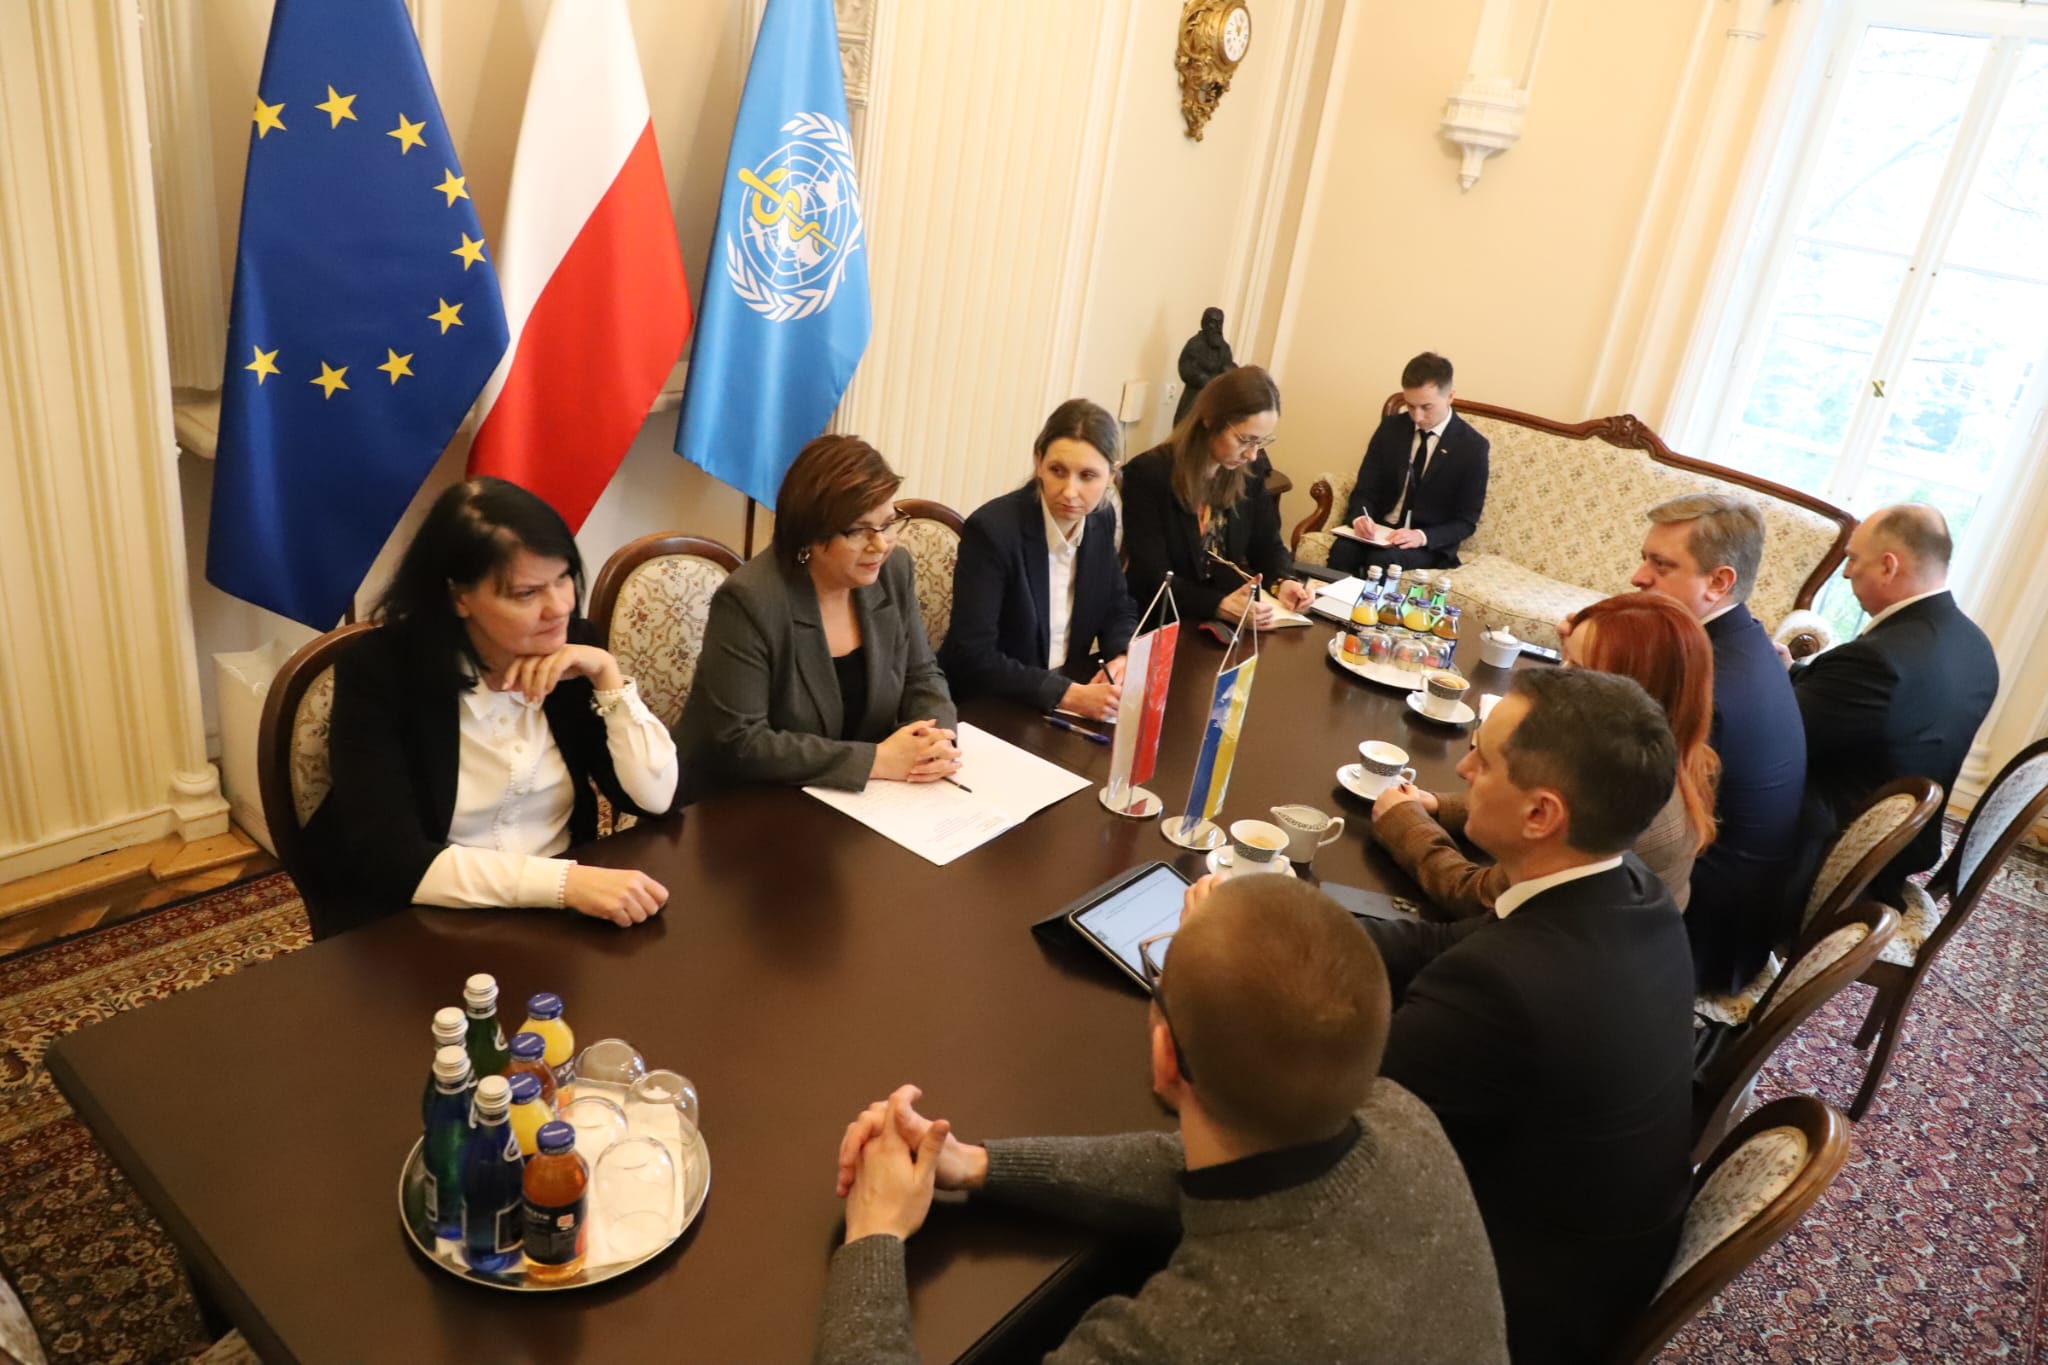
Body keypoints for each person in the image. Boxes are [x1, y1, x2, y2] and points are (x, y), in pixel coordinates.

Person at [816, 874, 1508, 1365]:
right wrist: (979, 1164)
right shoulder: (1406, 1119)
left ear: (1164, 1056)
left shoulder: (1192, 1332)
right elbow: (1199, 1166)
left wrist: (874, 1233)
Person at [1361, 668, 1696, 1364]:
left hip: (1503, 1303)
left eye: (1484, 760)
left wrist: (1226, 965)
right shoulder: (1630, 889)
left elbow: (1332, 1121)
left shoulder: (1505, 987)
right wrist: (1286, 919)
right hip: (1592, 1251)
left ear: (1541, 814)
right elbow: (1438, 943)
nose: (1463, 769)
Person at [300, 477, 676, 940]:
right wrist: (564, 883)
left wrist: (608, 678)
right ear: (459, 597)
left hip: (559, 918)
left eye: (562, 578)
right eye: (526, 593)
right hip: (422, 921)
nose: (558, 607)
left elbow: (653, 799)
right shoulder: (381, 670)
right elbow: (391, 858)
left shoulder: (574, 650)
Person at [1372, 591, 1717, 917]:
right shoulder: (1661, 753)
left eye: (1578, 670)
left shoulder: (1629, 799)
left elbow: (1480, 897)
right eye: (1563, 660)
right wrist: (1439, 805)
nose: (1560, 678)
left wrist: (1404, 824)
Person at [674, 435, 960, 804]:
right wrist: (876, 760)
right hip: (741, 803)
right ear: (810, 534)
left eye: (888, 524)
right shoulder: (750, 600)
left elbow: (921, 675)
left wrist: (935, 741)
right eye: (858, 530)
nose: (880, 545)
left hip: (854, 799)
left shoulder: (893, 571)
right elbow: (742, 742)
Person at [1619, 492, 1807, 991]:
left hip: (1691, 938)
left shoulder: (1712, 691)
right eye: (1644, 559)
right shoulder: (1744, 642)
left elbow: (1628, 820)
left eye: (1661, 565)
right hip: (1722, 904)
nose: (1638, 577)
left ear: (1719, 582)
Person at [1787, 503, 1999, 903]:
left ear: (1888, 566)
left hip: (1831, 858)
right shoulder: (1973, 646)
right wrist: (1790, 672)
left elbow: (1777, 738)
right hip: (1901, 844)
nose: (1846, 572)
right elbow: (1853, 706)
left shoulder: (1880, 659)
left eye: (1853, 559)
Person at [938, 399, 1141, 720]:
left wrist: (1124, 655)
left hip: (1066, 694)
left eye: (1088, 476)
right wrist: (1066, 694)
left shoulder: (1101, 518)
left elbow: (1117, 606)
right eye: (1058, 471)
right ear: (1038, 461)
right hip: (993, 705)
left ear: (1111, 474)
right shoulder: (993, 530)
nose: (1070, 491)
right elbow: (973, 656)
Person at [1121, 364, 1313, 628]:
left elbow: (1267, 543)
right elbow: (1152, 578)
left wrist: (1283, 581)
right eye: (1244, 440)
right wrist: (1219, 606)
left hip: (1228, 620)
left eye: (1259, 442)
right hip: (1166, 621)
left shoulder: (1250, 471)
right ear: (1210, 419)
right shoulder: (1148, 474)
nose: (1252, 454)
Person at [1329, 352, 1489, 574]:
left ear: (1450, 396)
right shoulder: (1390, 429)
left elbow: (1466, 521)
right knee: (1343, 550)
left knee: (1383, 560)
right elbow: (1365, 489)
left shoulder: (1472, 447)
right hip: (1381, 531)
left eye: (1426, 407)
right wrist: (1360, 518)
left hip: (1425, 543)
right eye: (1410, 406)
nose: (1417, 416)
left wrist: (1420, 536)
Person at [1172, 306, 1234, 425]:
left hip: (1214, 400)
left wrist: (1230, 371)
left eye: (1219, 323)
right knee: (1186, 426)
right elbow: (1186, 369)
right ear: (1204, 323)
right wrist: (1204, 379)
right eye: (1213, 323)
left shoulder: (1224, 348)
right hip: (1194, 397)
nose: (1217, 327)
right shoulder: (1195, 344)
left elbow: (1227, 366)